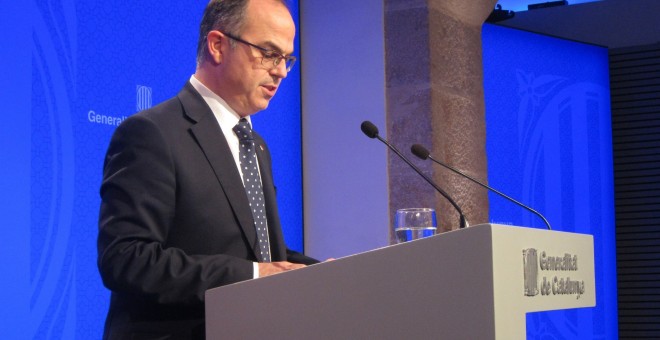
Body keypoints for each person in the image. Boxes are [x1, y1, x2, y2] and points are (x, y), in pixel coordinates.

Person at [97, 0, 318, 338]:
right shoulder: (152, 133)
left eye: (287, 58)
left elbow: (265, 253)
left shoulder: (256, 147)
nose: (281, 71)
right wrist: (254, 275)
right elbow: (127, 258)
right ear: (217, 45)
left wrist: (325, 274)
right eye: (269, 53)